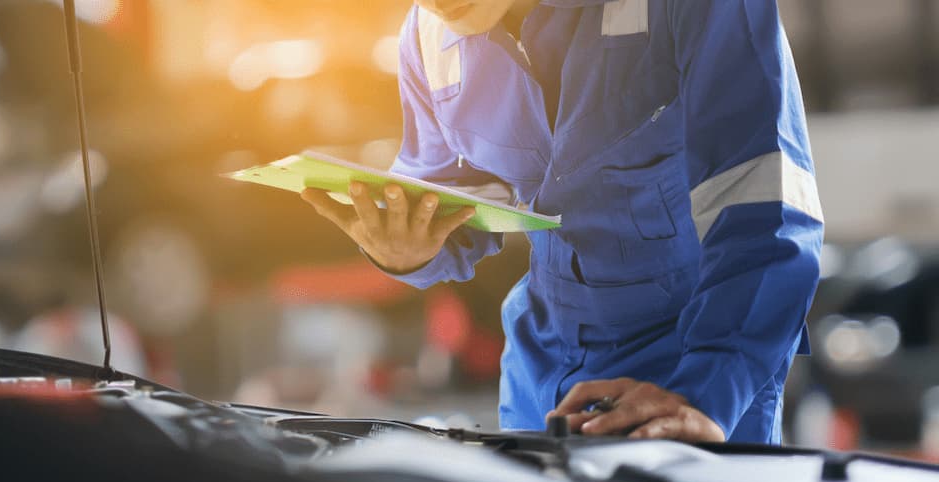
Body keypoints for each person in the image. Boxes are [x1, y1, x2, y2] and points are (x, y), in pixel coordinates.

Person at [301, 0, 823, 443]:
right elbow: (451, 203)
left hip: (692, 371)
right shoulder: (429, 35)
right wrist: (405, 253)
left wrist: (708, 390)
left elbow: (767, 209)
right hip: (540, 381)